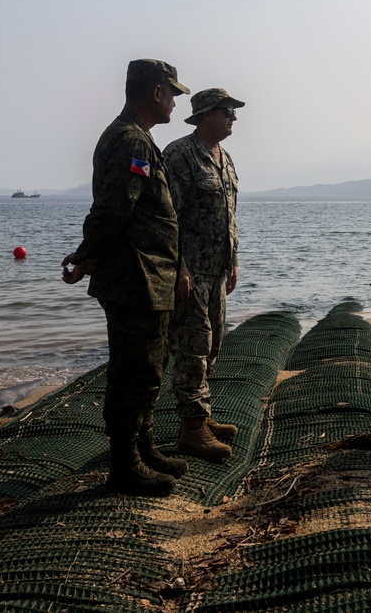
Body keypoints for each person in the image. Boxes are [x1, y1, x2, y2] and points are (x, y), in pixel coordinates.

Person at [61, 59, 190, 496]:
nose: (175, 101)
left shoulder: (137, 138)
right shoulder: (132, 139)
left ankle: (145, 447)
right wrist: (87, 254)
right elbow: (116, 208)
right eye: (172, 93)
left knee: (150, 369)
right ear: (156, 92)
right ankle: (125, 466)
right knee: (134, 373)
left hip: (149, 275)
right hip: (135, 276)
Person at [162, 88, 244, 462]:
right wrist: (178, 267)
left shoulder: (224, 158)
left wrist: (233, 261)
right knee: (192, 351)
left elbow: (229, 215)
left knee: (211, 349)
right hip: (190, 273)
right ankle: (192, 430)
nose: (234, 118)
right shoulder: (180, 156)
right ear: (207, 115)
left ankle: (202, 418)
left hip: (217, 271)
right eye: (228, 111)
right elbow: (167, 217)